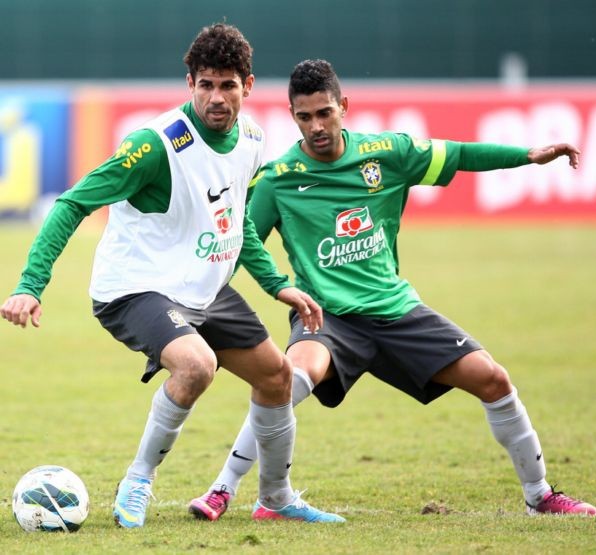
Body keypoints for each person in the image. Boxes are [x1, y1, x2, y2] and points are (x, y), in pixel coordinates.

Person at [189, 59, 596, 521]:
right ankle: (224, 488)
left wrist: (526, 155)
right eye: (304, 117)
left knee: (494, 380)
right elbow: (241, 242)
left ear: (344, 106)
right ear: (293, 117)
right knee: (288, 378)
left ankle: (540, 496)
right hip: (328, 318)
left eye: (324, 113)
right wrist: (275, 287)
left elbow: (460, 154)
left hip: (396, 310)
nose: (316, 126)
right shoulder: (279, 178)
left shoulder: (389, 151)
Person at [0, 34, 345, 527]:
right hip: (134, 287)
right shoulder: (154, 145)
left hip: (202, 287)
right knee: (196, 365)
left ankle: (275, 498)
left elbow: (235, 219)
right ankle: (137, 480)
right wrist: (30, 285)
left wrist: (276, 283)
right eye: (205, 85)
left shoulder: (251, 138)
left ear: (247, 86)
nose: (216, 98)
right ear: (190, 83)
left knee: (277, 378)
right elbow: (73, 202)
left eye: (228, 86)